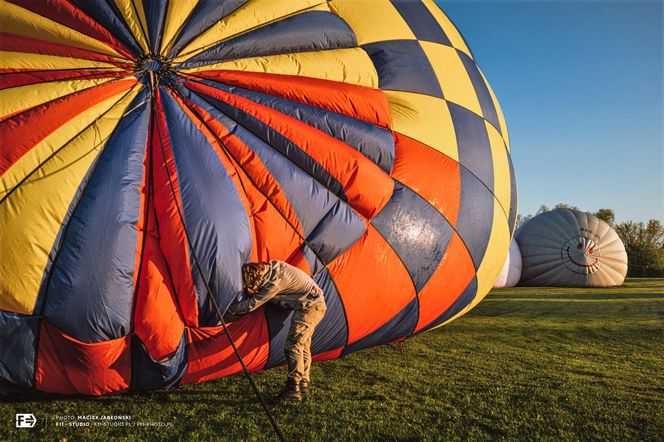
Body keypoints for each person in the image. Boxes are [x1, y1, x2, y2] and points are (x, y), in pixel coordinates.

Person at [228, 260, 327, 403]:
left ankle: (293, 389)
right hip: (315, 303)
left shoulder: (273, 284)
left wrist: (229, 309)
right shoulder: (274, 267)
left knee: (293, 345)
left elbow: (251, 304)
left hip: (311, 307)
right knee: (303, 345)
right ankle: (303, 382)